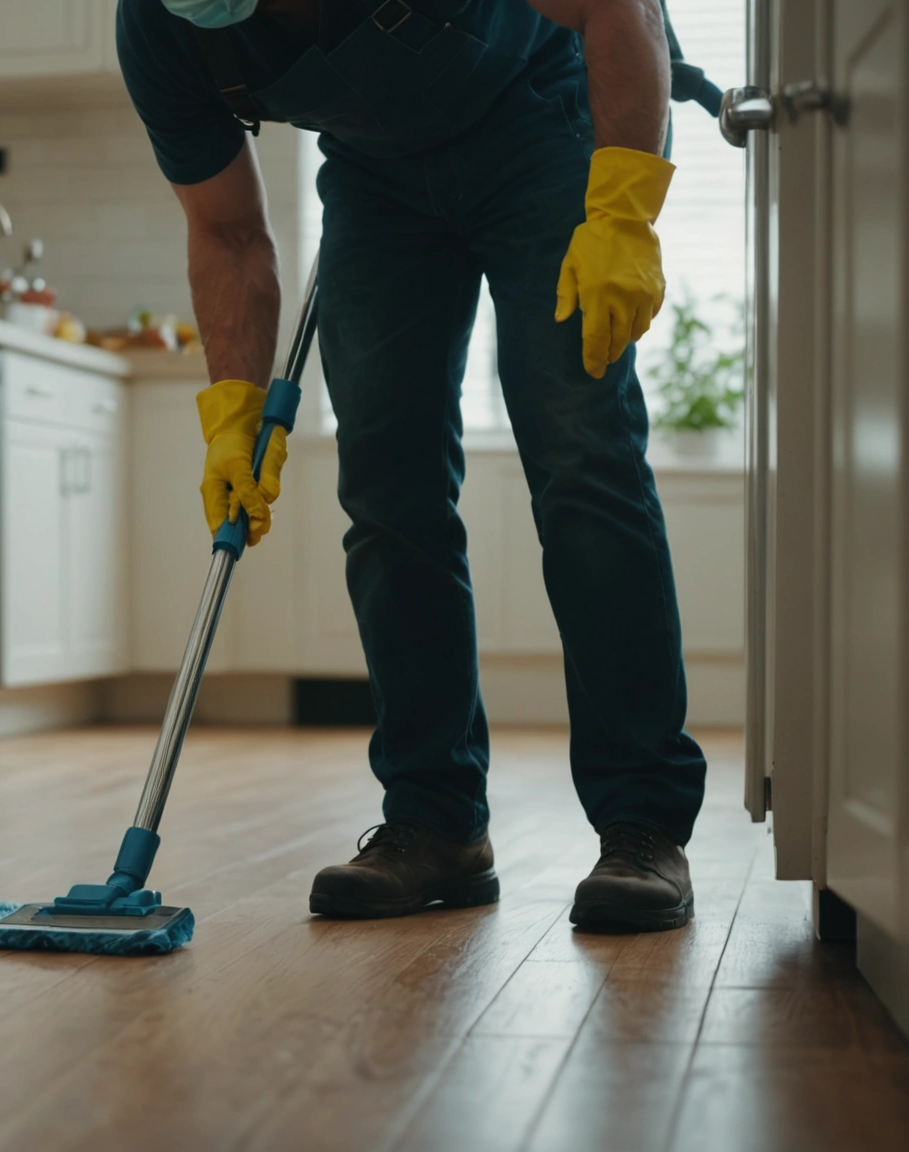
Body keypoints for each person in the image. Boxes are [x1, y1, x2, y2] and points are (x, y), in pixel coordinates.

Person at [118, 0, 708, 932]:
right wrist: (234, 416)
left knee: (579, 451)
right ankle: (435, 823)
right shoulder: (162, 29)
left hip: (537, 120)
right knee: (387, 492)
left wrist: (623, 210)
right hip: (377, 177)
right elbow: (228, 233)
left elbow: (614, 6)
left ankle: (641, 822)